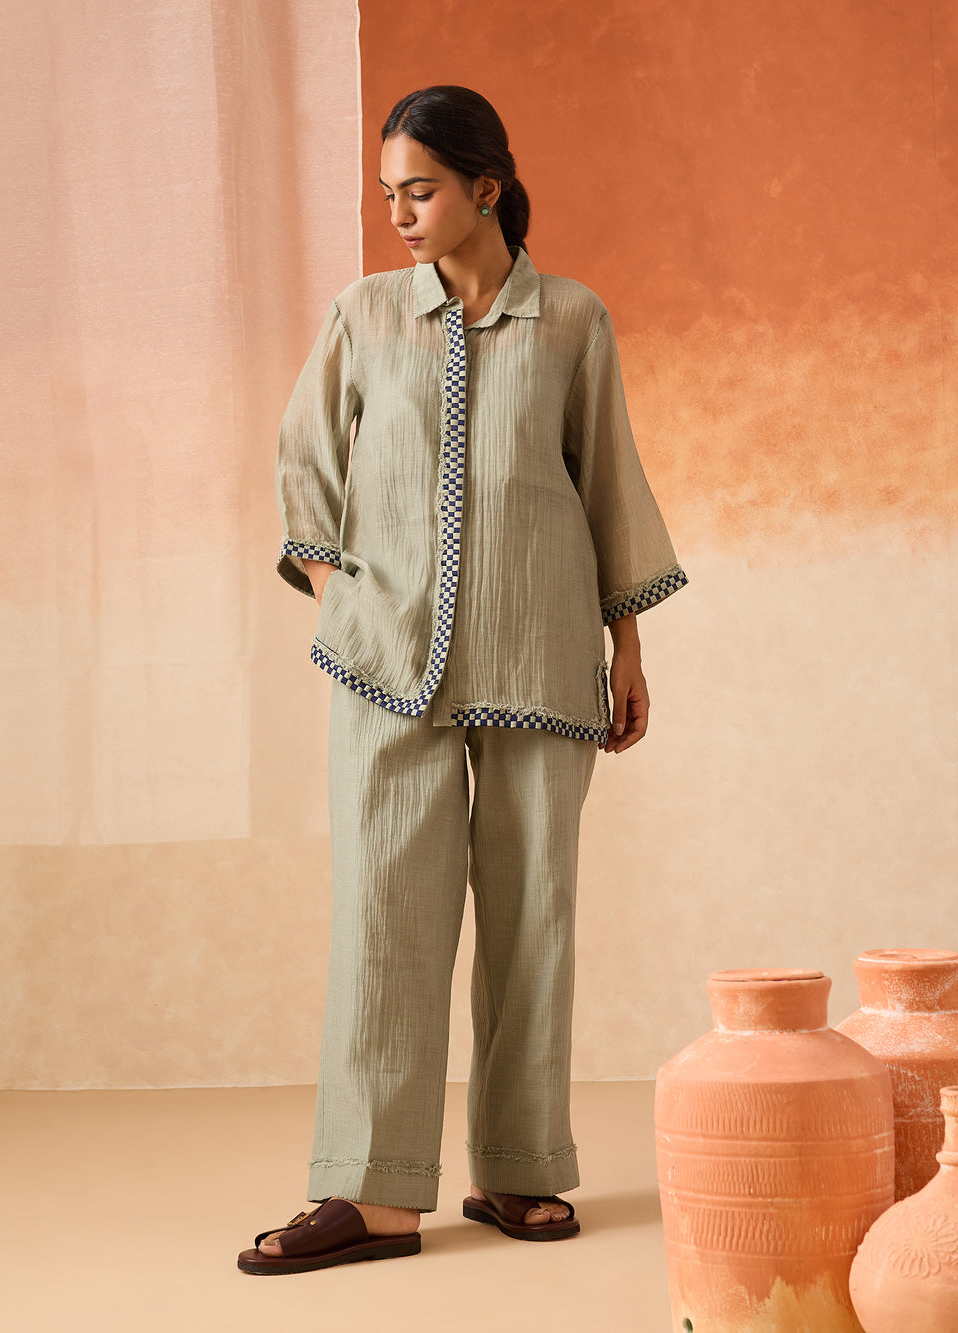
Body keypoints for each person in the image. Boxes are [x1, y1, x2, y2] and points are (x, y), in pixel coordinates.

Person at [237, 85, 687, 1276]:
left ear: (487, 187)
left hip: (540, 654)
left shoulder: (572, 319)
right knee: (384, 920)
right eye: (388, 192)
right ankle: (371, 1192)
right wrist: (339, 601)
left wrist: (627, 646)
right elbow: (302, 459)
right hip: (383, 663)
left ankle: (518, 1166)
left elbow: (608, 484)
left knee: (535, 915)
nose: (399, 212)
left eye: (421, 189)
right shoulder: (364, 313)